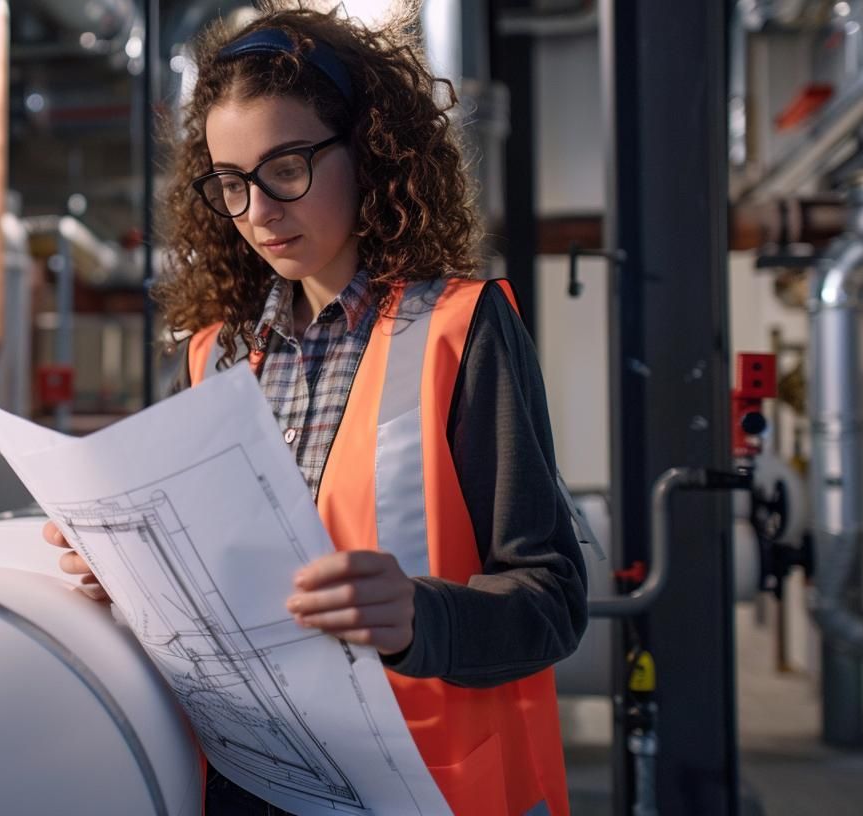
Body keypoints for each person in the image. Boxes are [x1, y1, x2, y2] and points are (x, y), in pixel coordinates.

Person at [44, 6, 588, 815]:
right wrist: (127, 566)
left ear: (367, 152)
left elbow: (551, 601)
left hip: (424, 785)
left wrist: (416, 615)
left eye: (287, 167)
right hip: (243, 781)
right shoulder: (217, 355)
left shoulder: (459, 328)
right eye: (231, 184)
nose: (259, 211)